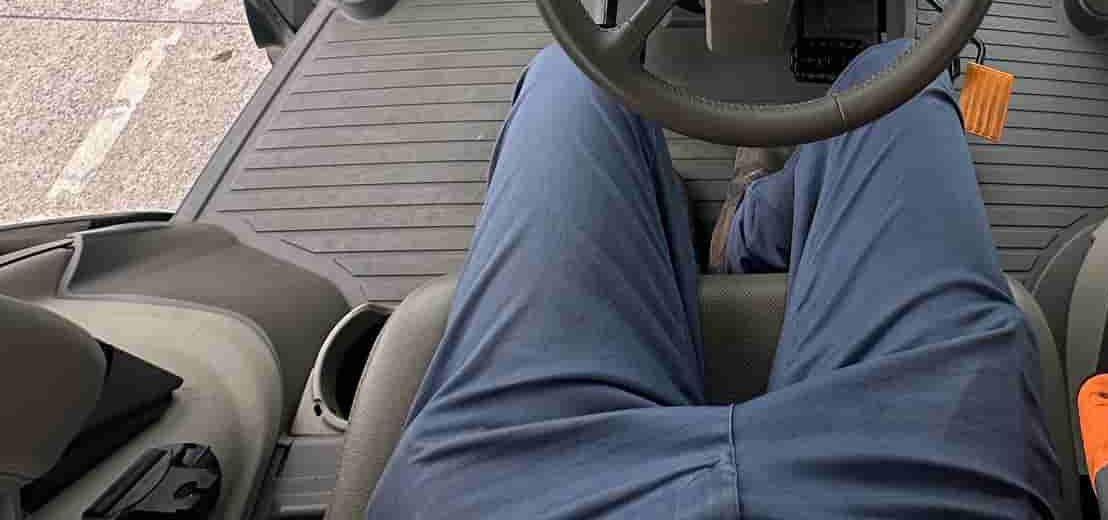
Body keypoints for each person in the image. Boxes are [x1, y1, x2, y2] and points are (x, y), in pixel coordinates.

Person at [371, 40, 1061, 518]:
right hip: (923, 494)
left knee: (579, 72)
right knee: (895, 76)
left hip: (511, 495)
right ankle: (746, 228)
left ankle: (659, 212)